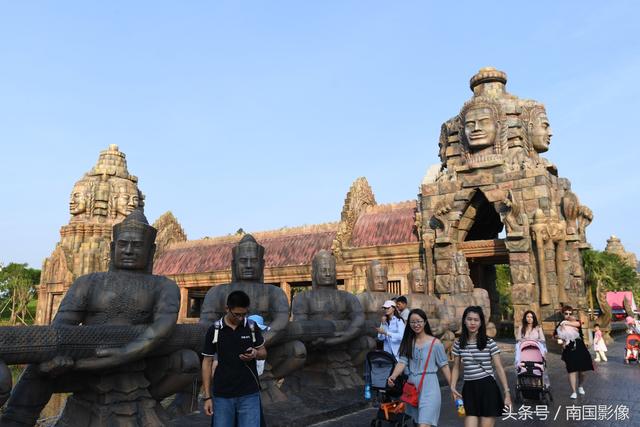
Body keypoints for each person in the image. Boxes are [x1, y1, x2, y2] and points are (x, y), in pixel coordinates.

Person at [201, 290, 267, 427]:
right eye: (237, 314)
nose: (241, 318)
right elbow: (207, 363)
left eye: (244, 314)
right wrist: (207, 396)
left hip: (249, 392)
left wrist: (255, 353)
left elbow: (263, 352)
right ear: (227, 309)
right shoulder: (214, 330)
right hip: (222, 394)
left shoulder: (251, 327)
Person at [387, 309, 453, 427]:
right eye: (412, 322)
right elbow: (402, 362)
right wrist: (393, 376)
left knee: (424, 424)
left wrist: (453, 388)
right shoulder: (408, 342)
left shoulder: (435, 343)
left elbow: (444, 366)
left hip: (430, 388)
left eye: (419, 321)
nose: (416, 324)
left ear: (425, 322)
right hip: (412, 389)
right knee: (418, 423)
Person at [450, 306, 511, 427]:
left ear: (481, 322)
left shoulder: (489, 343)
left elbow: (499, 367)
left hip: (488, 388)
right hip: (469, 389)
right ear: (464, 321)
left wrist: (507, 392)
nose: (472, 322)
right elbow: (456, 367)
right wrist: (452, 386)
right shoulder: (458, 344)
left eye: (476, 320)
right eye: (469, 319)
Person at [554, 305, 593, 399]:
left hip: (580, 348)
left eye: (570, 313)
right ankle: (574, 391)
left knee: (582, 372)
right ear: (563, 314)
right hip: (569, 349)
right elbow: (554, 335)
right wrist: (560, 339)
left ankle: (580, 386)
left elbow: (578, 324)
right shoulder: (560, 324)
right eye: (566, 313)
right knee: (572, 370)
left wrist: (565, 323)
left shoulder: (575, 322)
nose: (568, 315)